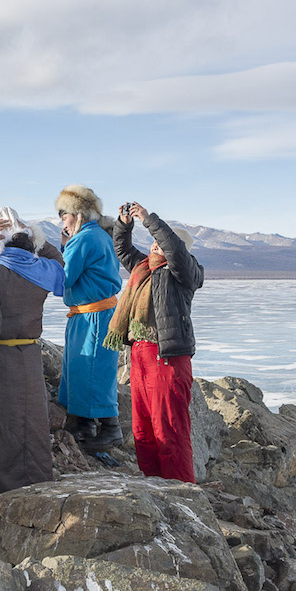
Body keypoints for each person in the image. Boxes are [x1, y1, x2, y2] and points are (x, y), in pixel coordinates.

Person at [0, 207, 66, 495]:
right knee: (32, 423)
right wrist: (38, 236)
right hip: (29, 356)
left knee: (0, 425)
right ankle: (36, 481)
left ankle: (2, 489)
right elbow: (57, 259)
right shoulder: (44, 272)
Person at [109, 203, 204, 483]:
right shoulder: (143, 268)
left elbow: (173, 250)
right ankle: (153, 486)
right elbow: (123, 250)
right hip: (139, 355)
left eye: (159, 243)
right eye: (152, 243)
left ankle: (182, 493)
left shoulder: (185, 273)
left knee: (169, 430)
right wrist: (124, 224)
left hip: (167, 359)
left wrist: (148, 219)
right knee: (143, 429)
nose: (153, 247)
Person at [55, 184, 123, 456]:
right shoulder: (100, 236)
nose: (63, 221)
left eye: (64, 215)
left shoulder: (83, 240)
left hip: (93, 316)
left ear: (78, 214)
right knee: (83, 369)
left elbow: (65, 278)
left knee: (91, 368)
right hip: (91, 313)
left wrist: (62, 249)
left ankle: (109, 428)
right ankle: (82, 425)